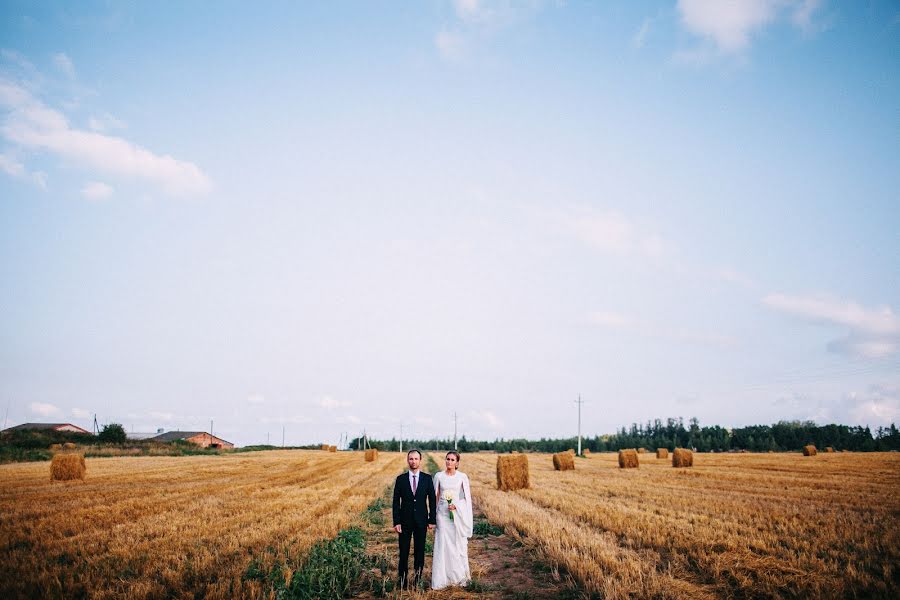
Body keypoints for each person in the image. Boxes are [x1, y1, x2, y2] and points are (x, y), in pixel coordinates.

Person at [392, 449, 436, 589]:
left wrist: (432, 519)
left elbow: (432, 501)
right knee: (403, 552)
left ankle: (417, 580)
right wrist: (396, 521)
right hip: (404, 522)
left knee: (419, 552)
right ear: (407, 460)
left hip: (421, 521)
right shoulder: (401, 479)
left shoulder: (427, 478)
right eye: (411, 459)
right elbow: (395, 502)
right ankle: (402, 582)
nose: (413, 461)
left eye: (416, 459)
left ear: (420, 460)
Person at [431, 450, 473, 590]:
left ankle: (457, 576)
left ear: (457, 463)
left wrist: (457, 507)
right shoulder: (439, 476)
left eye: (452, 460)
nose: (449, 462)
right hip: (442, 514)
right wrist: (433, 516)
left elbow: (466, 499)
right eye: (447, 459)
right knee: (443, 543)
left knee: (456, 544)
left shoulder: (462, 477)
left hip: (456, 514)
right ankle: (441, 578)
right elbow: (435, 497)